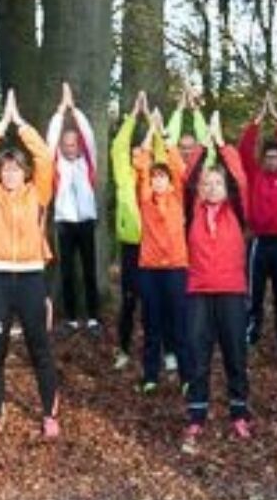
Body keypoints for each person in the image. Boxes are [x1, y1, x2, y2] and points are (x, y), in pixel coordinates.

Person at [0, 91, 61, 441]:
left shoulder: (38, 194)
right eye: (5, 169)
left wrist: (19, 124)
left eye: (15, 169)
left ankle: (50, 415)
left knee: (40, 350)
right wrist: (0, 126)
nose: (9, 174)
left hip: (31, 279)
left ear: (25, 173)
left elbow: (45, 156)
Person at [182, 112, 251, 453]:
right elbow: (189, 177)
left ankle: (239, 412)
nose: (211, 187)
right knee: (198, 355)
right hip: (198, 291)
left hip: (231, 292)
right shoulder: (192, 211)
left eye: (217, 184)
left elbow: (238, 178)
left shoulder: (236, 209)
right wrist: (203, 146)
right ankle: (197, 415)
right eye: (207, 184)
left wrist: (222, 145)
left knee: (235, 353)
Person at [238, 93, 277, 350]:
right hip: (259, 243)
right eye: (268, 157)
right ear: (263, 160)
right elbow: (244, 150)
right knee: (254, 293)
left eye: (276, 157)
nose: (272, 160)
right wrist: (257, 121)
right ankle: (251, 334)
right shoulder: (255, 177)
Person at [133, 115, 189, 394]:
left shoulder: (177, 197)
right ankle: (150, 377)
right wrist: (149, 132)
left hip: (176, 268)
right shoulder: (145, 200)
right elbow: (141, 163)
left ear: (169, 182)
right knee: (152, 323)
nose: (157, 182)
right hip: (150, 270)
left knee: (179, 324)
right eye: (154, 178)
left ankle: (187, 378)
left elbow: (178, 166)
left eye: (162, 178)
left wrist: (164, 135)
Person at [45, 83, 101, 333]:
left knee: (89, 271)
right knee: (66, 272)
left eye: (73, 144)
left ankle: (93, 318)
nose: (70, 148)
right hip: (64, 223)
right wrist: (60, 112)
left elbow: (88, 134)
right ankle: (70, 318)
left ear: (79, 145)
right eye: (66, 145)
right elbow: (50, 139)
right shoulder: (55, 162)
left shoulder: (88, 162)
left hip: (87, 222)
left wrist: (74, 110)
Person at [110, 93, 149, 370]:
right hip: (131, 248)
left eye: (142, 154)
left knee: (154, 303)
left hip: (155, 248)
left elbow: (163, 150)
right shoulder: (124, 178)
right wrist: (134, 115)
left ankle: (159, 351)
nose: (137, 157)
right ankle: (123, 350)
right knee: (128, 301)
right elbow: (117, 148)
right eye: (134, 154)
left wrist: (153, 124)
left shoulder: (156, 178)